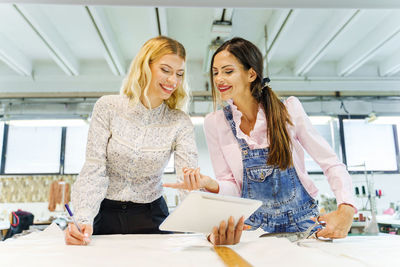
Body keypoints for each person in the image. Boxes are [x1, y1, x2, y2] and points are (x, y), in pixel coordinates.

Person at [164, 37, 355, 245]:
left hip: (304, 225)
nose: (219, 79)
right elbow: (234, 188)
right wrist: (210, 184)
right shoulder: (215, 123)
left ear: (251, 74)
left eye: (228, 71)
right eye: (215, 72)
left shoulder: (288, 109)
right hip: (253, 229)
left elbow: (331, 163)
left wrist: (346, 208)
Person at [64, 36, 197, 245]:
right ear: (145, 66)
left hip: (152, 216)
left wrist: (202, 226)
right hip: (103, 214)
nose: (173, 81)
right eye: (165, 70)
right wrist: (82, 218)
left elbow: (188, 181)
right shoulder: (108, 107)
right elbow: (94, 168)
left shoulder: (179, 122)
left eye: (179, 74)